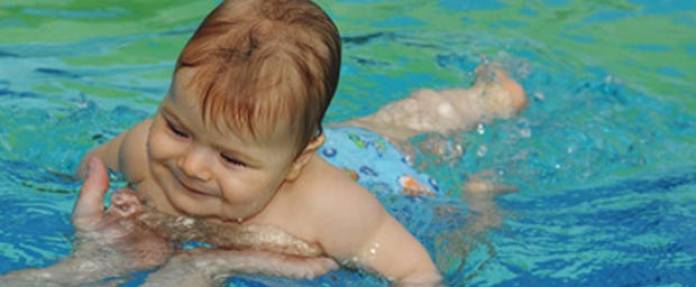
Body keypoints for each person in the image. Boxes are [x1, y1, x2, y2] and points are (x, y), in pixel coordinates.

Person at [1, 0, 526, 285]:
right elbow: (92, 162)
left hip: (378, 171)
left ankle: (490, 98)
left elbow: (415, 271)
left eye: (229, 158)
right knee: (373, 121)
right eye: (178, 128)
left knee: (399, 131)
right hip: (304, 143)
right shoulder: (147, 149)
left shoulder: (330, 209)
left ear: (298, 161)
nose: (191, 166)